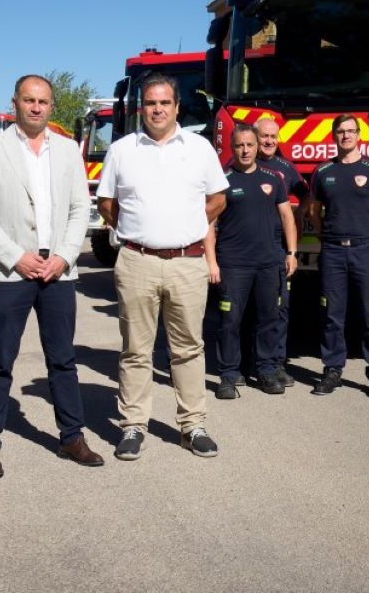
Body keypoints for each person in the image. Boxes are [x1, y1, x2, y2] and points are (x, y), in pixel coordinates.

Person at [0, 74, 102, 478]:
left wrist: (63, 256)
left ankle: (72, 437)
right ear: (15, 102)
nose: (35, 107)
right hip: (13, 270)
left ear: (51, 106)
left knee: (62, 359)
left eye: (42, 101)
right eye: (28, 100)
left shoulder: (66, 150)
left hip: (57, 271)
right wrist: (16, 257)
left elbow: (81, 208)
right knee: (0, 360)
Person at [97, 73, 228, 460]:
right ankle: (133, 426)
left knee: (188, 348)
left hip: (188, 263)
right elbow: (107, 205)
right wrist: (138, 230)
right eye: (150, 103)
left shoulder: (200, 148)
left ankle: (193, 426)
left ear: (176, 107)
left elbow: (218, 200)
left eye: (164, 103)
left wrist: (186, 225)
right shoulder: (121, 150)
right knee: (135, 350)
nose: (157, 109)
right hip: (136, 261)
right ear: (142, 107)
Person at [307, 114, 369, 398]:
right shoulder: (323, 172)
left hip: (366, 251)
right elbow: (312, 211)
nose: (345, 136)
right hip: (333, 251)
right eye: (340, 132)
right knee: (332, 314)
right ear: (333, 136)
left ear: (359, 135)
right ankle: (333, 369)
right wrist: (327, 236)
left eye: (350, 131)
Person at [205, 123, 297, 399]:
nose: (245, 150)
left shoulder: (274, 178)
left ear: (258, 147)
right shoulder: (222, 180)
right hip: (233, 265)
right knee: (230, 321)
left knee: (268, 319)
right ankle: (229, 375)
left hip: (270, 263)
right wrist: (212, 262)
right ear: (232, 148)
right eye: (239, 146)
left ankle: (267, 370)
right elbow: (209, 223)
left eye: (249, 145)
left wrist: (291, 253)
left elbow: (287, 217)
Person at [255, 116, 310, 387]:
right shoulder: (240, 163)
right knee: (247, 310)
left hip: (278, 248)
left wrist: (301, 214)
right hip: (246, 249)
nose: (268, 142)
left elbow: (306, 194)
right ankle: (247, 362)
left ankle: (277, 363)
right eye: (264, 136)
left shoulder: (285, 168)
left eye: (273, 137)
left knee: (279, 309)